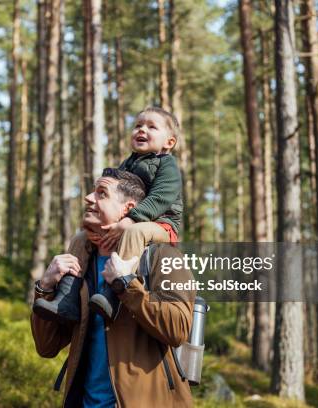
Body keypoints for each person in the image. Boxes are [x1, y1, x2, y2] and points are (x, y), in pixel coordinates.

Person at [31, 168, 194, 407]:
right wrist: (45, 287)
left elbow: (178, 328)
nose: (88, 198)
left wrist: (127, 284)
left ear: (127, 209)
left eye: (101, 193)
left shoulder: (163, 256)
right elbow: (47, 347)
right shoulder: (80, 263)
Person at [34, 106, 184, 323]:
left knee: (135, 232)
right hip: (132, 220)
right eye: (138, 126)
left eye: (151, 127)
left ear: (169, 142)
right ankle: (67, 298)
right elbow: (117, 199)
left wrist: (131, 218)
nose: (142, 130)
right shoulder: (127, 164)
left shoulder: (167, 165)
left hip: (162, 224)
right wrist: (100, 228)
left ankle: (112, 296)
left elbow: (162, 197)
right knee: (80, 238)